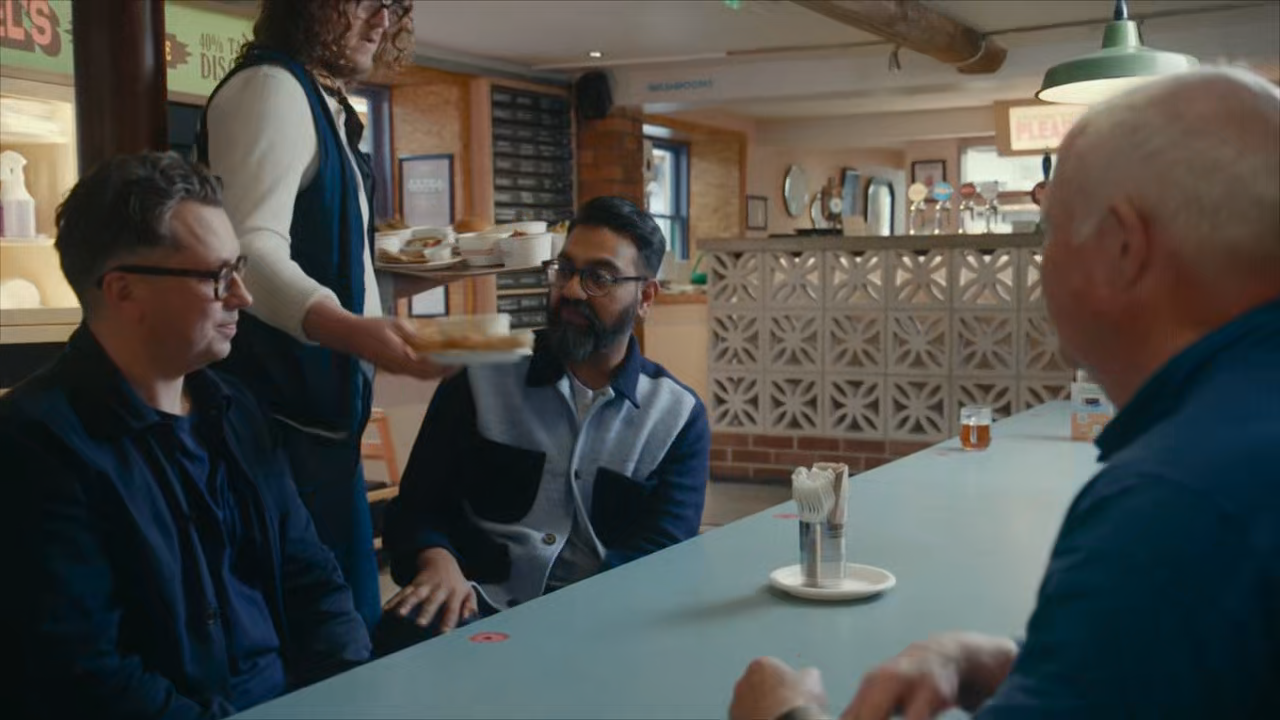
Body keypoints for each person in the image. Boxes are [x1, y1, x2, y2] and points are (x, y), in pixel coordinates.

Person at [729, 67, 1280, 720]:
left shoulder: (1174, 503)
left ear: (1122, 246)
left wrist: (786, 714)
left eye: (1049, 234)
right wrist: (1020, 664)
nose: (1041, 263)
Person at [0, 152, 370, 719]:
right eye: (217, 276)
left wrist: (347, 695)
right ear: (124, 291)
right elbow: (87, 674)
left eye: (239, 269)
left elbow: (313, 580)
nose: (242, 296)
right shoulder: (36, 443)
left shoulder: (236, 411)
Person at [200, 0, 442, 632]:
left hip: (318, 432)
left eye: (393, 5)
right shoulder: (271, 90)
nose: (381, 20)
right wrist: (356, 332)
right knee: (325, 635)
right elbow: (246, 253)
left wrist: (413, 281)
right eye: (361, 1)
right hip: (276, 430)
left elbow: (332, 260)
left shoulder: (320, 99)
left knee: (342, 627)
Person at [379, 196, 711, 647]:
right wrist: (437, 562)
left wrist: (569, 628)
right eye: (565, 270)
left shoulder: (677, 417)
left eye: (599, 278)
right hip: (476, 606)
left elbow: (661, 557)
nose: (572, 291)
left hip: (607, 623)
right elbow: (417, 507)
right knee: (399, 632)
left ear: (645, 297)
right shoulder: (481, 372)